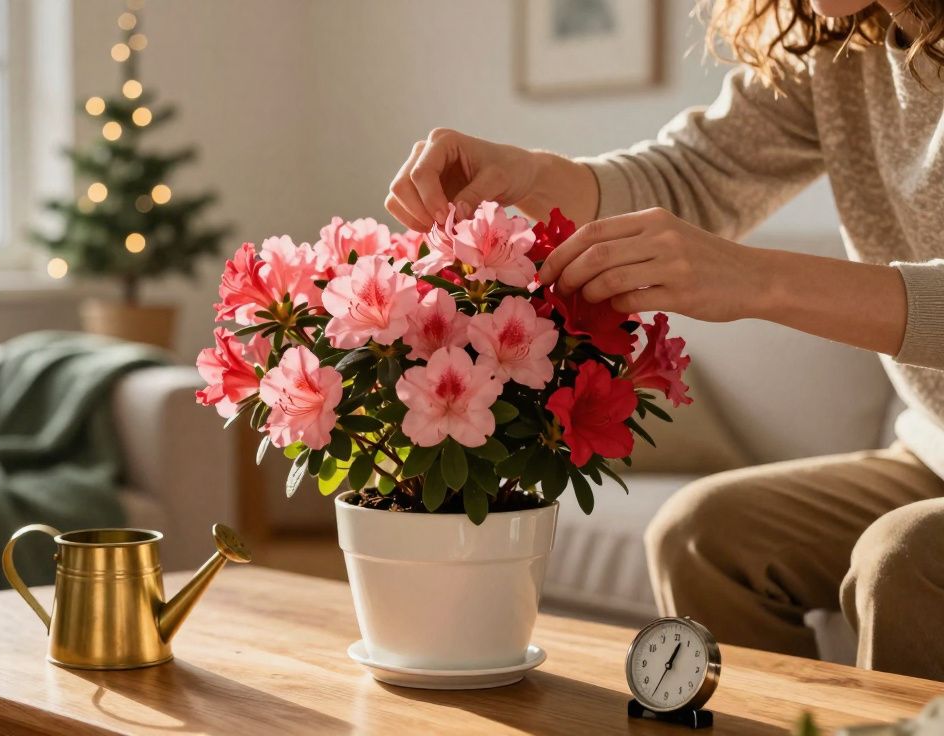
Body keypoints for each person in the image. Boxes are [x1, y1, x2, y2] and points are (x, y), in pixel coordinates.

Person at [385, 0, 944, 681]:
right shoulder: (834, 52)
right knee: (700, 537)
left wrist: (756, 279)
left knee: (903, 559)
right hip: (931, 456)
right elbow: (693, 175)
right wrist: (532, 174)